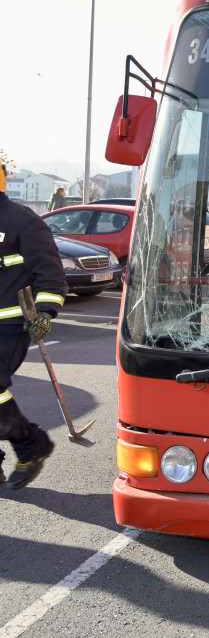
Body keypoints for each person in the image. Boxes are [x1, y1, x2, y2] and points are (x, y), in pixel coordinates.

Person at [0, 161, 68, 489]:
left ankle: (31, 445)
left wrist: (44, 314)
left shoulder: (22, 221)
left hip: (9, 328)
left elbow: (51, 273)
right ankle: (26, 449)